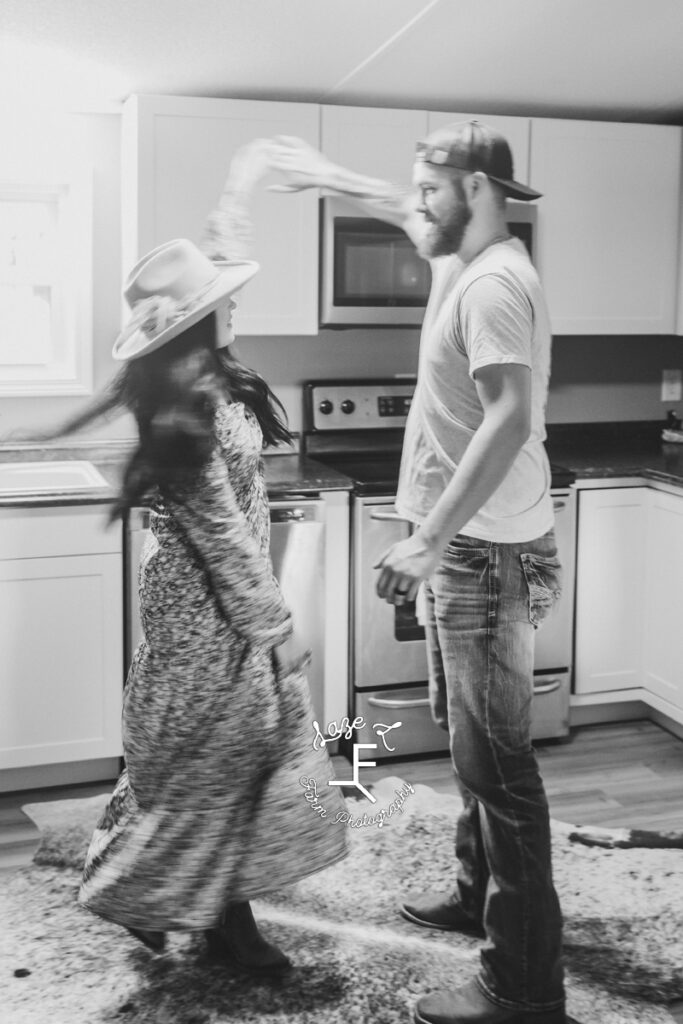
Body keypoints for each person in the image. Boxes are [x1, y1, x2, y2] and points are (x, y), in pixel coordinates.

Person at [270, 122, 579, 1024]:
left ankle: (523, 988)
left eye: (428, 190)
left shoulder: (492, 286)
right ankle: (473, 891)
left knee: (501, 770)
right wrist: (325, 174)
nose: (413, 205)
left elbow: (511, 417)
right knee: (469, 743)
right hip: (473, 552)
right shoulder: (458, 250)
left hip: (484, 556)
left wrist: (432, 538)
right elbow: (393, 202)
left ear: (476, 190)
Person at [49, 140, 347, 973]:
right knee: (218, 762)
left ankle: (184, 905)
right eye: (224, 301)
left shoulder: (201, 370)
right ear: (195, 323)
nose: (235, 304)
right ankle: (204, 916)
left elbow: (217, 254)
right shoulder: (186, 411)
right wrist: (276, 626)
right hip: (203, 613)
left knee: (211, 762)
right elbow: (219, 532)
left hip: (219, 606)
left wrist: (242, 178)